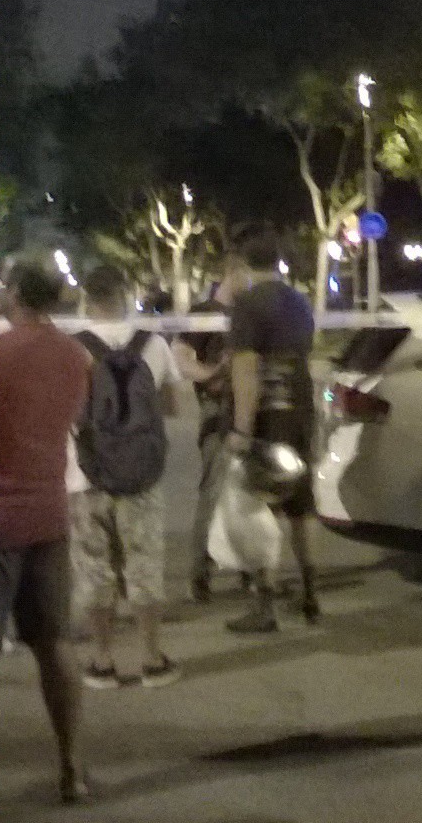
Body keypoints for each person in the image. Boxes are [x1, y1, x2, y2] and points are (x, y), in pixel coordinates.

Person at [0, 256, 91, 804]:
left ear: (14, 293)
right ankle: (73, 768)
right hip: (49, 515)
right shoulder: (74, 356)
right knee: (55, 645)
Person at [68, 264, 184, 688]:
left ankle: (102, 661)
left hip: (87, 474)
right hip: (141, 475)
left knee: (94, 568)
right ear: (126, 294)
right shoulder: (154, 344)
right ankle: (152, 659)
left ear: (86, 299)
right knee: (144, 564)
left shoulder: (72, 349)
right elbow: (172, 407)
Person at [225, 228, 319, 633]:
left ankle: (265, 606)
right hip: (300, 412)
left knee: (260, 510)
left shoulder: (247, 305)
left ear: (245, 265)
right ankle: (311, 594)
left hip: (268, 420)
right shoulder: (299, 303)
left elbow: (246, 371)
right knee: (300, 505)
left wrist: (242, 429)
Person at [174, 255, 250, 601]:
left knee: (249, 494)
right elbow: (181, 358)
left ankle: (249, 569)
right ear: (232, 272)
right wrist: (212, 373)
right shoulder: (205, 313)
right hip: (218, 412)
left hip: (248, 409)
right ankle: (200, 572)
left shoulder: (248, 313)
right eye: (248, 274)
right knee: (214, 492)